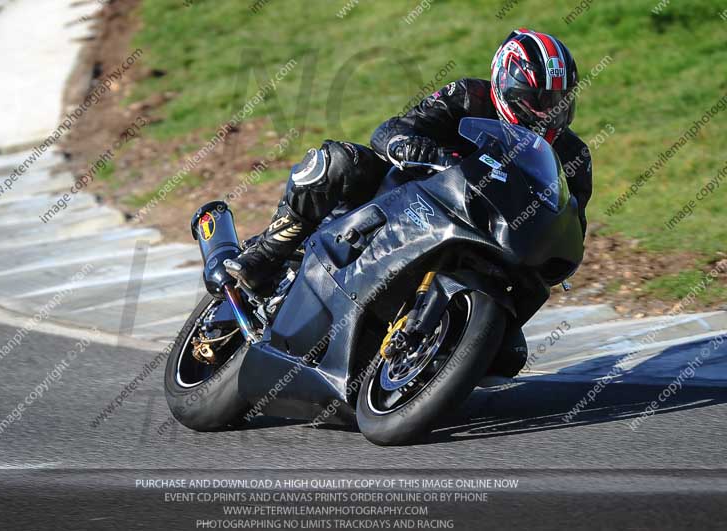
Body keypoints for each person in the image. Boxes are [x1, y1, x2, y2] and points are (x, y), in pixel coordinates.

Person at [224, 28, 593, 376]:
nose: (550, 111)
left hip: (491, 240)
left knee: (508, 356)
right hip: (411, 199)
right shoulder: (467, 96)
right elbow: (393, 129)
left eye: (560, 100)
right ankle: (268, 254)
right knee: (336, 163)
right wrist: (410, 145)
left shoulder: (573, 154)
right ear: (506, 86)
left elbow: (570, 216)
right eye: (539, 100)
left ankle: (431, 361)